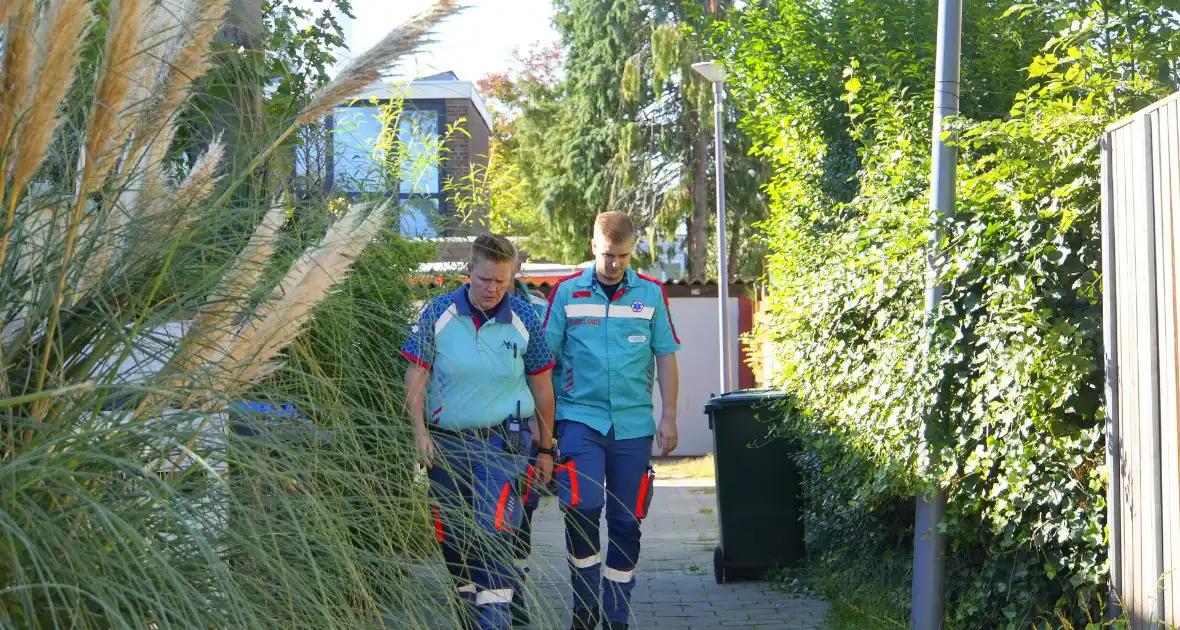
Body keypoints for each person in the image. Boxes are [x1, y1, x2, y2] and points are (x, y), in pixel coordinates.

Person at [401, 233, 556, 630]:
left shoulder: (525, 318)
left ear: (512, 276)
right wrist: (419, 432)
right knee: (453, 544)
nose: (493, 289)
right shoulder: (438, 313)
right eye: (486, 279)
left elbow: (541, 385)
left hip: (504, 444)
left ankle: (495, 620)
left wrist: (544, 448)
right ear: (470, 271)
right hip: (447, 446)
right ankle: (471, 615)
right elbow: (416, 375)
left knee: (495, 536)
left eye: (502, 281)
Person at [544, 212, 681, 630]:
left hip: (633, 426)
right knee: (582, 511)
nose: (615, 263)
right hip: (579, 421)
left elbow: (666, 358)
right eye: (607, 255)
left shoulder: (652, 294)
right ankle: (585, 610)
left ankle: (616, 614)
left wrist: (670, 416)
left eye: (622, 255)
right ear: (593, 248)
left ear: (632, 249)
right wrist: (545, 431)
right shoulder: (566, 293)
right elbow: (544, 365)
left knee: (626, 520)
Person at [509, 266, 558, 627]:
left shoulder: (539, 311)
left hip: (527, 428)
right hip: (484, 428)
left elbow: (548, 376)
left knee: (521, 513)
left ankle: (515, 591)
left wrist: (547, 441)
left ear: (517, 267)